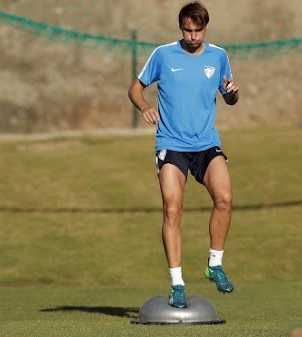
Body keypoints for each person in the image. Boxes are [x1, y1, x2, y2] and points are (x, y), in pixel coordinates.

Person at [127, 1, 239, 309]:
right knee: (173, 209)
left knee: (225, 198)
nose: (193, 36)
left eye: (198, 30)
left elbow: (231, 97)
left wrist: (232, 92)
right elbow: (135, 88)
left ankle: (214, 264)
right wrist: (145, 106)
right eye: (188, 30)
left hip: (205, 143)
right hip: (171, 143)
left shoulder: (219, 56)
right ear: (181, 28)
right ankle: (177, 283)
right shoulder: (163, 54)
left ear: (205, 28)